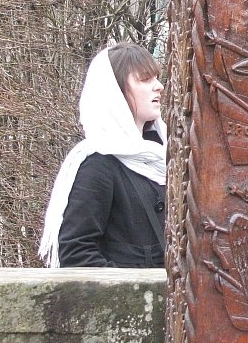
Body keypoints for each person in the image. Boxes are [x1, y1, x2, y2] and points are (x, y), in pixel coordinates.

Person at [39, 43, 167, 268]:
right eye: (145, 79)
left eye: (156, 78)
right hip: (129, 302)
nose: (159, 86)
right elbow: (76, 254)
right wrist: (134, 293)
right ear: (115, 92)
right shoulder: (98, 165)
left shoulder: (161, 156)